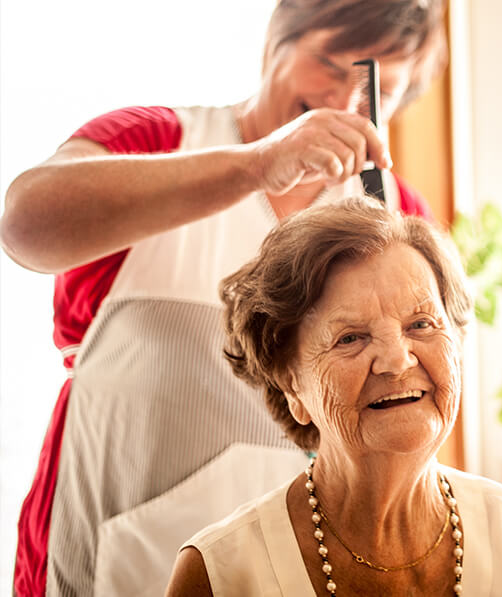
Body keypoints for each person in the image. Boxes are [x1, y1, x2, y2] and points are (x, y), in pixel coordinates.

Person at [0, 2, 447, 595]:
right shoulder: (157, 140)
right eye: (328, 63)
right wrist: (259, 165)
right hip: (112, 542)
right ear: (273, 45)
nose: (344, 99)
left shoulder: (394, 213)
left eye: (376, 88)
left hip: (287, 565)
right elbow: (26, 224)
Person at [163, 196, 502, 597]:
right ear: (290, 383)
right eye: (351, 338)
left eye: (420, 325)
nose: (397, 362)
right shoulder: (218, 576)